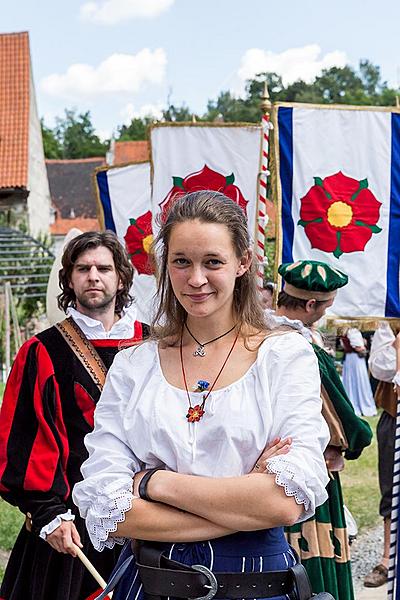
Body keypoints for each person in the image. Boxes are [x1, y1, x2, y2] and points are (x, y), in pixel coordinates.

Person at [73, 190, 331, 600]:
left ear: (243, 262)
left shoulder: (284, 356)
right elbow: (107, 509)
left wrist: (154, 482)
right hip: (152, 583)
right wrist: (245, 504)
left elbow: (285, 501)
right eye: (182, 262)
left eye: (213, 261)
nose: (196, 279)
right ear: (164, 265)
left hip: (258, 584)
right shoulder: (133, 367)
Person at [0, 231, 149, 600]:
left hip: (155, 519)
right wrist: (48, 513)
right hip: (74, 528)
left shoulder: (157, 345)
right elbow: (21, 442)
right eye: (82, 268)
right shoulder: (43, 352)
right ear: (68, 279)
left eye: (103, 268)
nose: (93, 276)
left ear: (122, 278)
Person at [264, 259, 372, 600]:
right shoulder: (303, 347)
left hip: (266, 467)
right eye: (326, 306)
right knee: (312, 558)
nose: (325, 313)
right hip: (310, 467)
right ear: (311, 304)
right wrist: (357, 439)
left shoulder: (255, 334)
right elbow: (343, 417)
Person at [364, 323, 400, 587]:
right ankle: (388, 557)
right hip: (395, 415)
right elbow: (381, 368)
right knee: (391, 487)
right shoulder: (389, 321)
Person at [341, 327, 376, 416]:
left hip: (349, 359)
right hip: (356, 360)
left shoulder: (345, 332)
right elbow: (358, 347)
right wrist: (364, 347)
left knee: (350, 381)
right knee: (360, 380)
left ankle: (352, 403)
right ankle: (363, 406)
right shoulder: (354, 331)